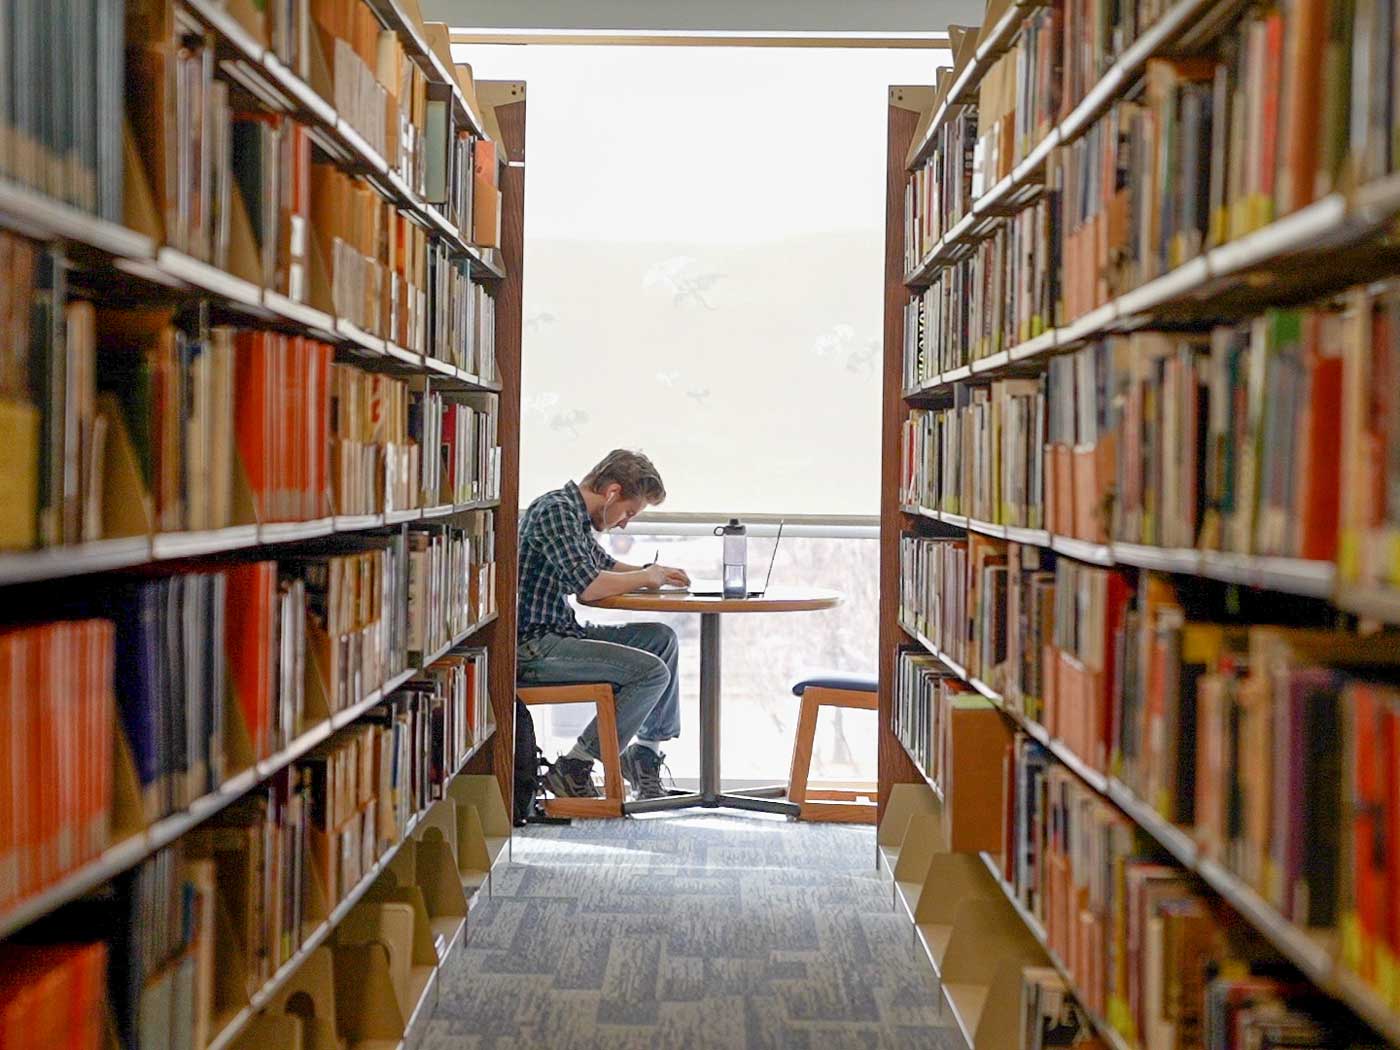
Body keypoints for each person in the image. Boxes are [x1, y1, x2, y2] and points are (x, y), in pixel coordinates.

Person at [516, 449, 691, 800]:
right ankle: (575, 767)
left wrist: (657, 574)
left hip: (561, 633)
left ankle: (643, 756)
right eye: (628, 512)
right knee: (651, 673)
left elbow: (604, 565)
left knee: (661, 639)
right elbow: (590, 587)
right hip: (532, 647)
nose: (625, 523)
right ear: (612, 493)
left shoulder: (575, 517)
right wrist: (646, 576)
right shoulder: (555, 512)